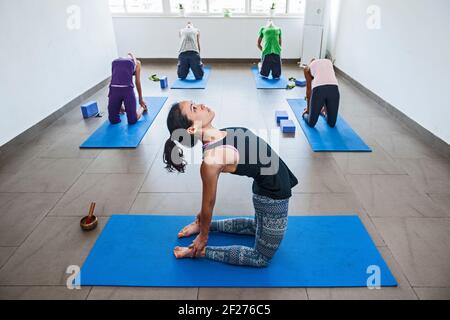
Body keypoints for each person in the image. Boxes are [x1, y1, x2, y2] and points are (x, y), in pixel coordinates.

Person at [163, 101, 298, 268]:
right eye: (194, 109)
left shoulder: (221, 133)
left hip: (266, 188)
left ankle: (205, 226)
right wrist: (203, 237)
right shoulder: (212, 159)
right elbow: (209, 203)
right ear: (191, 129)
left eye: (194, 103)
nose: (201, 105)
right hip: (273, 197)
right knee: (260, 258)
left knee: (257, 227)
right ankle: (199, 251)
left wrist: (204, 223)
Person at [108, 52, 147, 125]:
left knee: (129, 120)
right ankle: (143, 106)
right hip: (115, 90)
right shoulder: (137, 63)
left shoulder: (115, 62)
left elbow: (112, 79)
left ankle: (142, 107)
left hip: (126, 90)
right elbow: (137, 82)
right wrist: (140, 99)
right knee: (114, 120)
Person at [302, 58, 340, 128]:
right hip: (334, 89)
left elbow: (308, 91)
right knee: (332, 124)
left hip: (320, 90)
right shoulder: (328, 62)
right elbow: (327, 82)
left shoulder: (307, 68)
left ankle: (307, 114)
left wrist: (308, 109)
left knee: (311, 123)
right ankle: (321, 111)